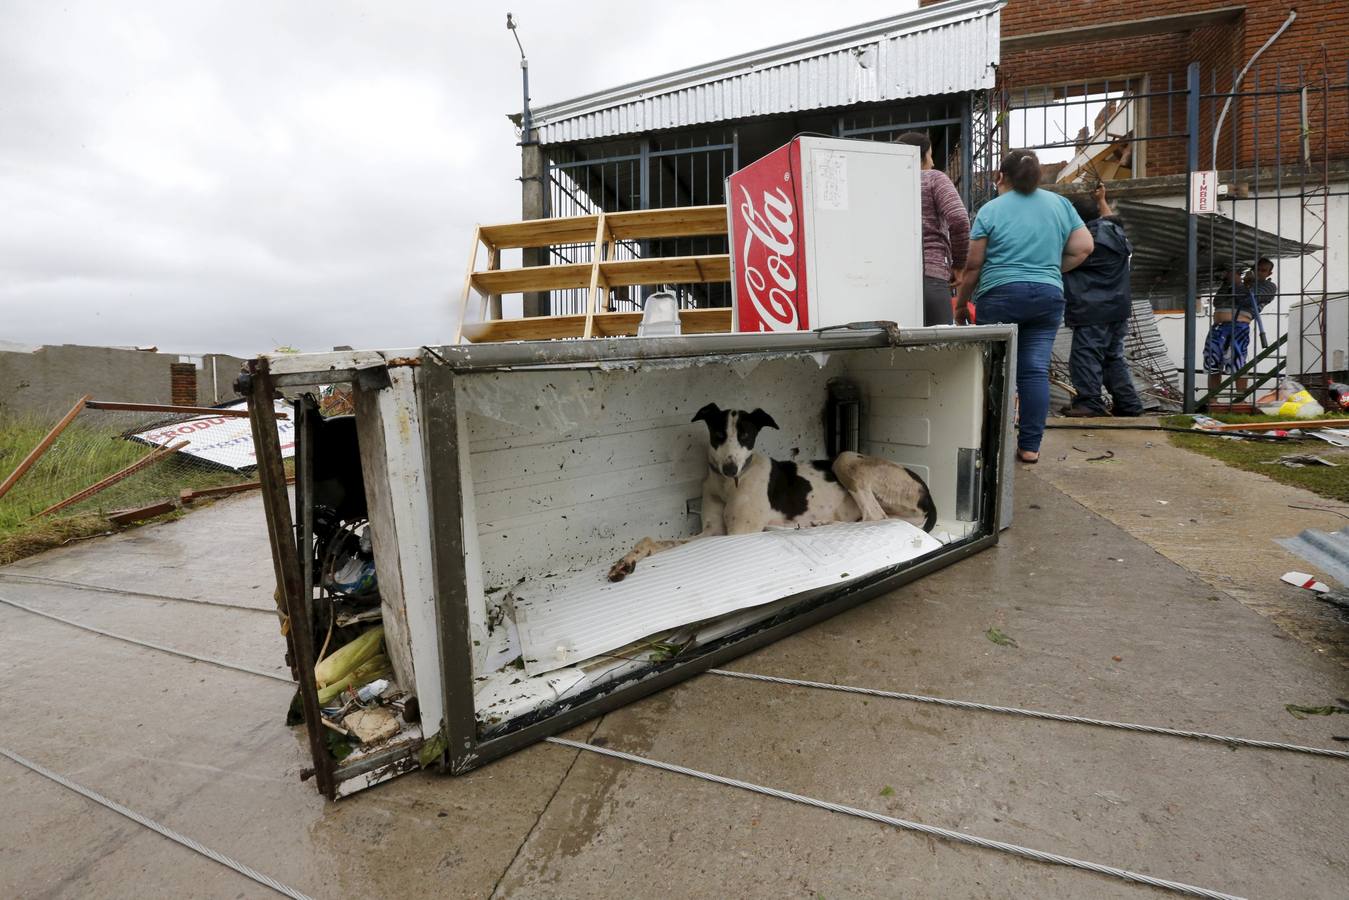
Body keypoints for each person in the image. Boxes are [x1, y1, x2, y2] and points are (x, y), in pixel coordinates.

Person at [956, 150, 1093, 463]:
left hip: (1000, 295)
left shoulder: (990, 210)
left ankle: (990, 446)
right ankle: (1030, 447)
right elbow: (1084, 247)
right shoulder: (1060, 204)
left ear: (1000, 177)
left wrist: (962, 305)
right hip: (1047, 297)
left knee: (995, 372)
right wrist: (1048, 269)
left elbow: (974, 265)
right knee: (1032, 372)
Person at [1061, 185, 1144, 418]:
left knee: (1085, 356)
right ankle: (1128, 404)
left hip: (1092, 309)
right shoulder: (1113, 230)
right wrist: (1102, 199)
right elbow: (1111, 217)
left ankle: (1088, 403)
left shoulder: (1087, 241)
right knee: (1112, 358)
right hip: (1118, 308)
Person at [897, 131, 970, 326]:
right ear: (918, 157)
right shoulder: (933, 178)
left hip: (891, 286)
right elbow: (959, 218)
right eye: (929, 156)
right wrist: (959, 264)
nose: (933, 163)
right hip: (930, 278)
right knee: (939, 352)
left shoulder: (887, 186)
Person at [1203, 264, 1257, 390]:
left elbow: (1249, 299)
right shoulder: (1231, 286)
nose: (1259, 272)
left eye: (1263, 270)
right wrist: (1230, 284)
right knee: (1213, 365)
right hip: (1218, 328)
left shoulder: (1265, 286)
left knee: (1238, 364)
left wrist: (1238, 283)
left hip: (1237, 328)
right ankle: (1213, 401)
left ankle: (1240, 399)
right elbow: (1217, 302)